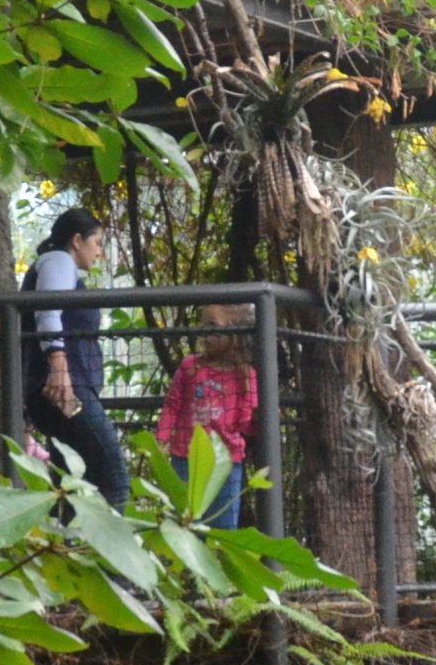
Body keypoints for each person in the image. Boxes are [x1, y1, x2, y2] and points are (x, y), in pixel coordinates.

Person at [25, 207, 130, 504]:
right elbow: (48, 311)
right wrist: (59, 367)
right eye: (97, 242)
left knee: (71, 484)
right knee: (115, 481)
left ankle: (66, 546)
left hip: (61, 387)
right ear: (76, 240)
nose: (100, 252)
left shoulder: (56, 265)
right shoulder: (58, 261)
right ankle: (108, 551)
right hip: (65, 388)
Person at [156, 303, 260, 527]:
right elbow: (172, 404)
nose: (205, 333)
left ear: (234, 333)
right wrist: (162, 439)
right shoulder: (190, 367)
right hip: (186, 458)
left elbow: (245, 424)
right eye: (202, 325)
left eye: (212, 326)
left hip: (226, 463)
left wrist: (256, 412)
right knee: (186, 525)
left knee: (223, 529)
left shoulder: (245, 376)